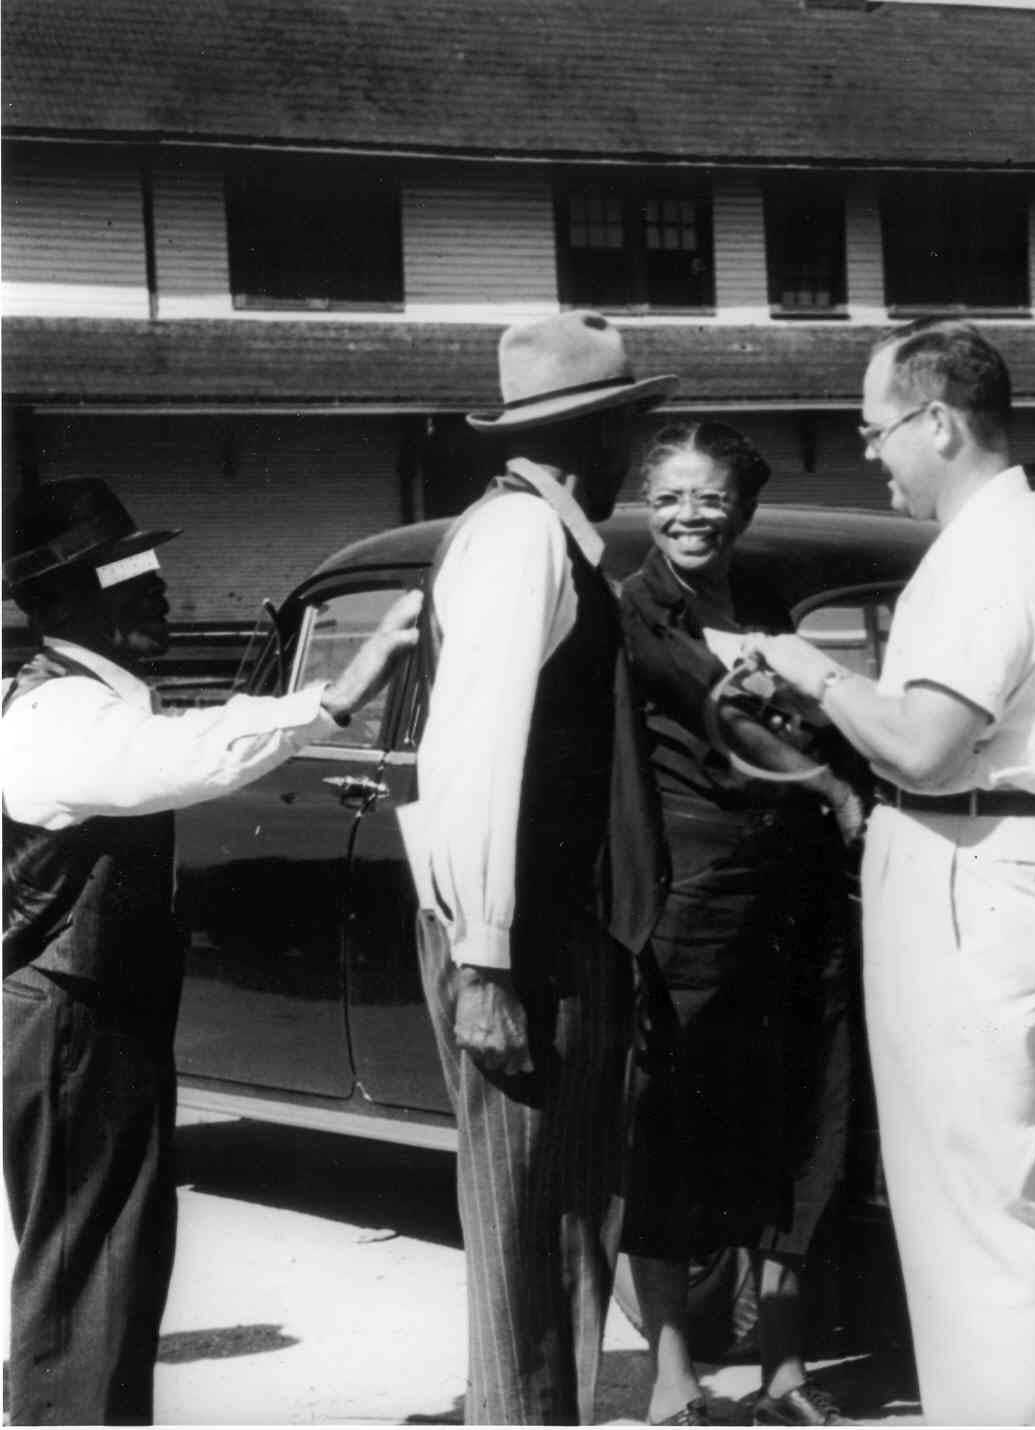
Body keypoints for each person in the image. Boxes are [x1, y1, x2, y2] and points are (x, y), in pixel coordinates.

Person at [752, 318, 1035, 1426]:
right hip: (1024, 858)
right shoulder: (1019, 537)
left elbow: (920, 744)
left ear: (939, 422)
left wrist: (809, 670)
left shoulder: (989, 552)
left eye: (876, 431)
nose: (871, 454)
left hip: (977, 870)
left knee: (974, 1199)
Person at [2, 478, 419, 1425]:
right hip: (74, 1014)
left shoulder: (90, 699)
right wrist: (340, 695)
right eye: (122, 570)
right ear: (60, 602)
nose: (154, 586)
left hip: (96, 1007)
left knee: (113, 1250)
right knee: (87, 1256)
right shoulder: (58, 715)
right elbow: (190, 754)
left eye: (150, 564)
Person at [398, 310, 674, 1425]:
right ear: (593, 435)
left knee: (566, 1217)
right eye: (631, 433)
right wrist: (485, 961)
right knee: (523, 1223)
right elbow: (474, 758)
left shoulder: (550, 538)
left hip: (554, 927)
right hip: (519, 935)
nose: (639, 459)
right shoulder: (519, 540)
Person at [615, 421, 864, 1427]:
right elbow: (732, 715)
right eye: (670, 496)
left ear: (741, 508)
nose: (690, 515)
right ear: (645, 503)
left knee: (805, 1120)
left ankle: (786, 1367)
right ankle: (674, 1378)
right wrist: (835, 785)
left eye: (710, 497)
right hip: (692, 901)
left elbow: (810, 703)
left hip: (793, 899)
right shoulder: (633, 611)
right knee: (672, 1136)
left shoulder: (762, 602)